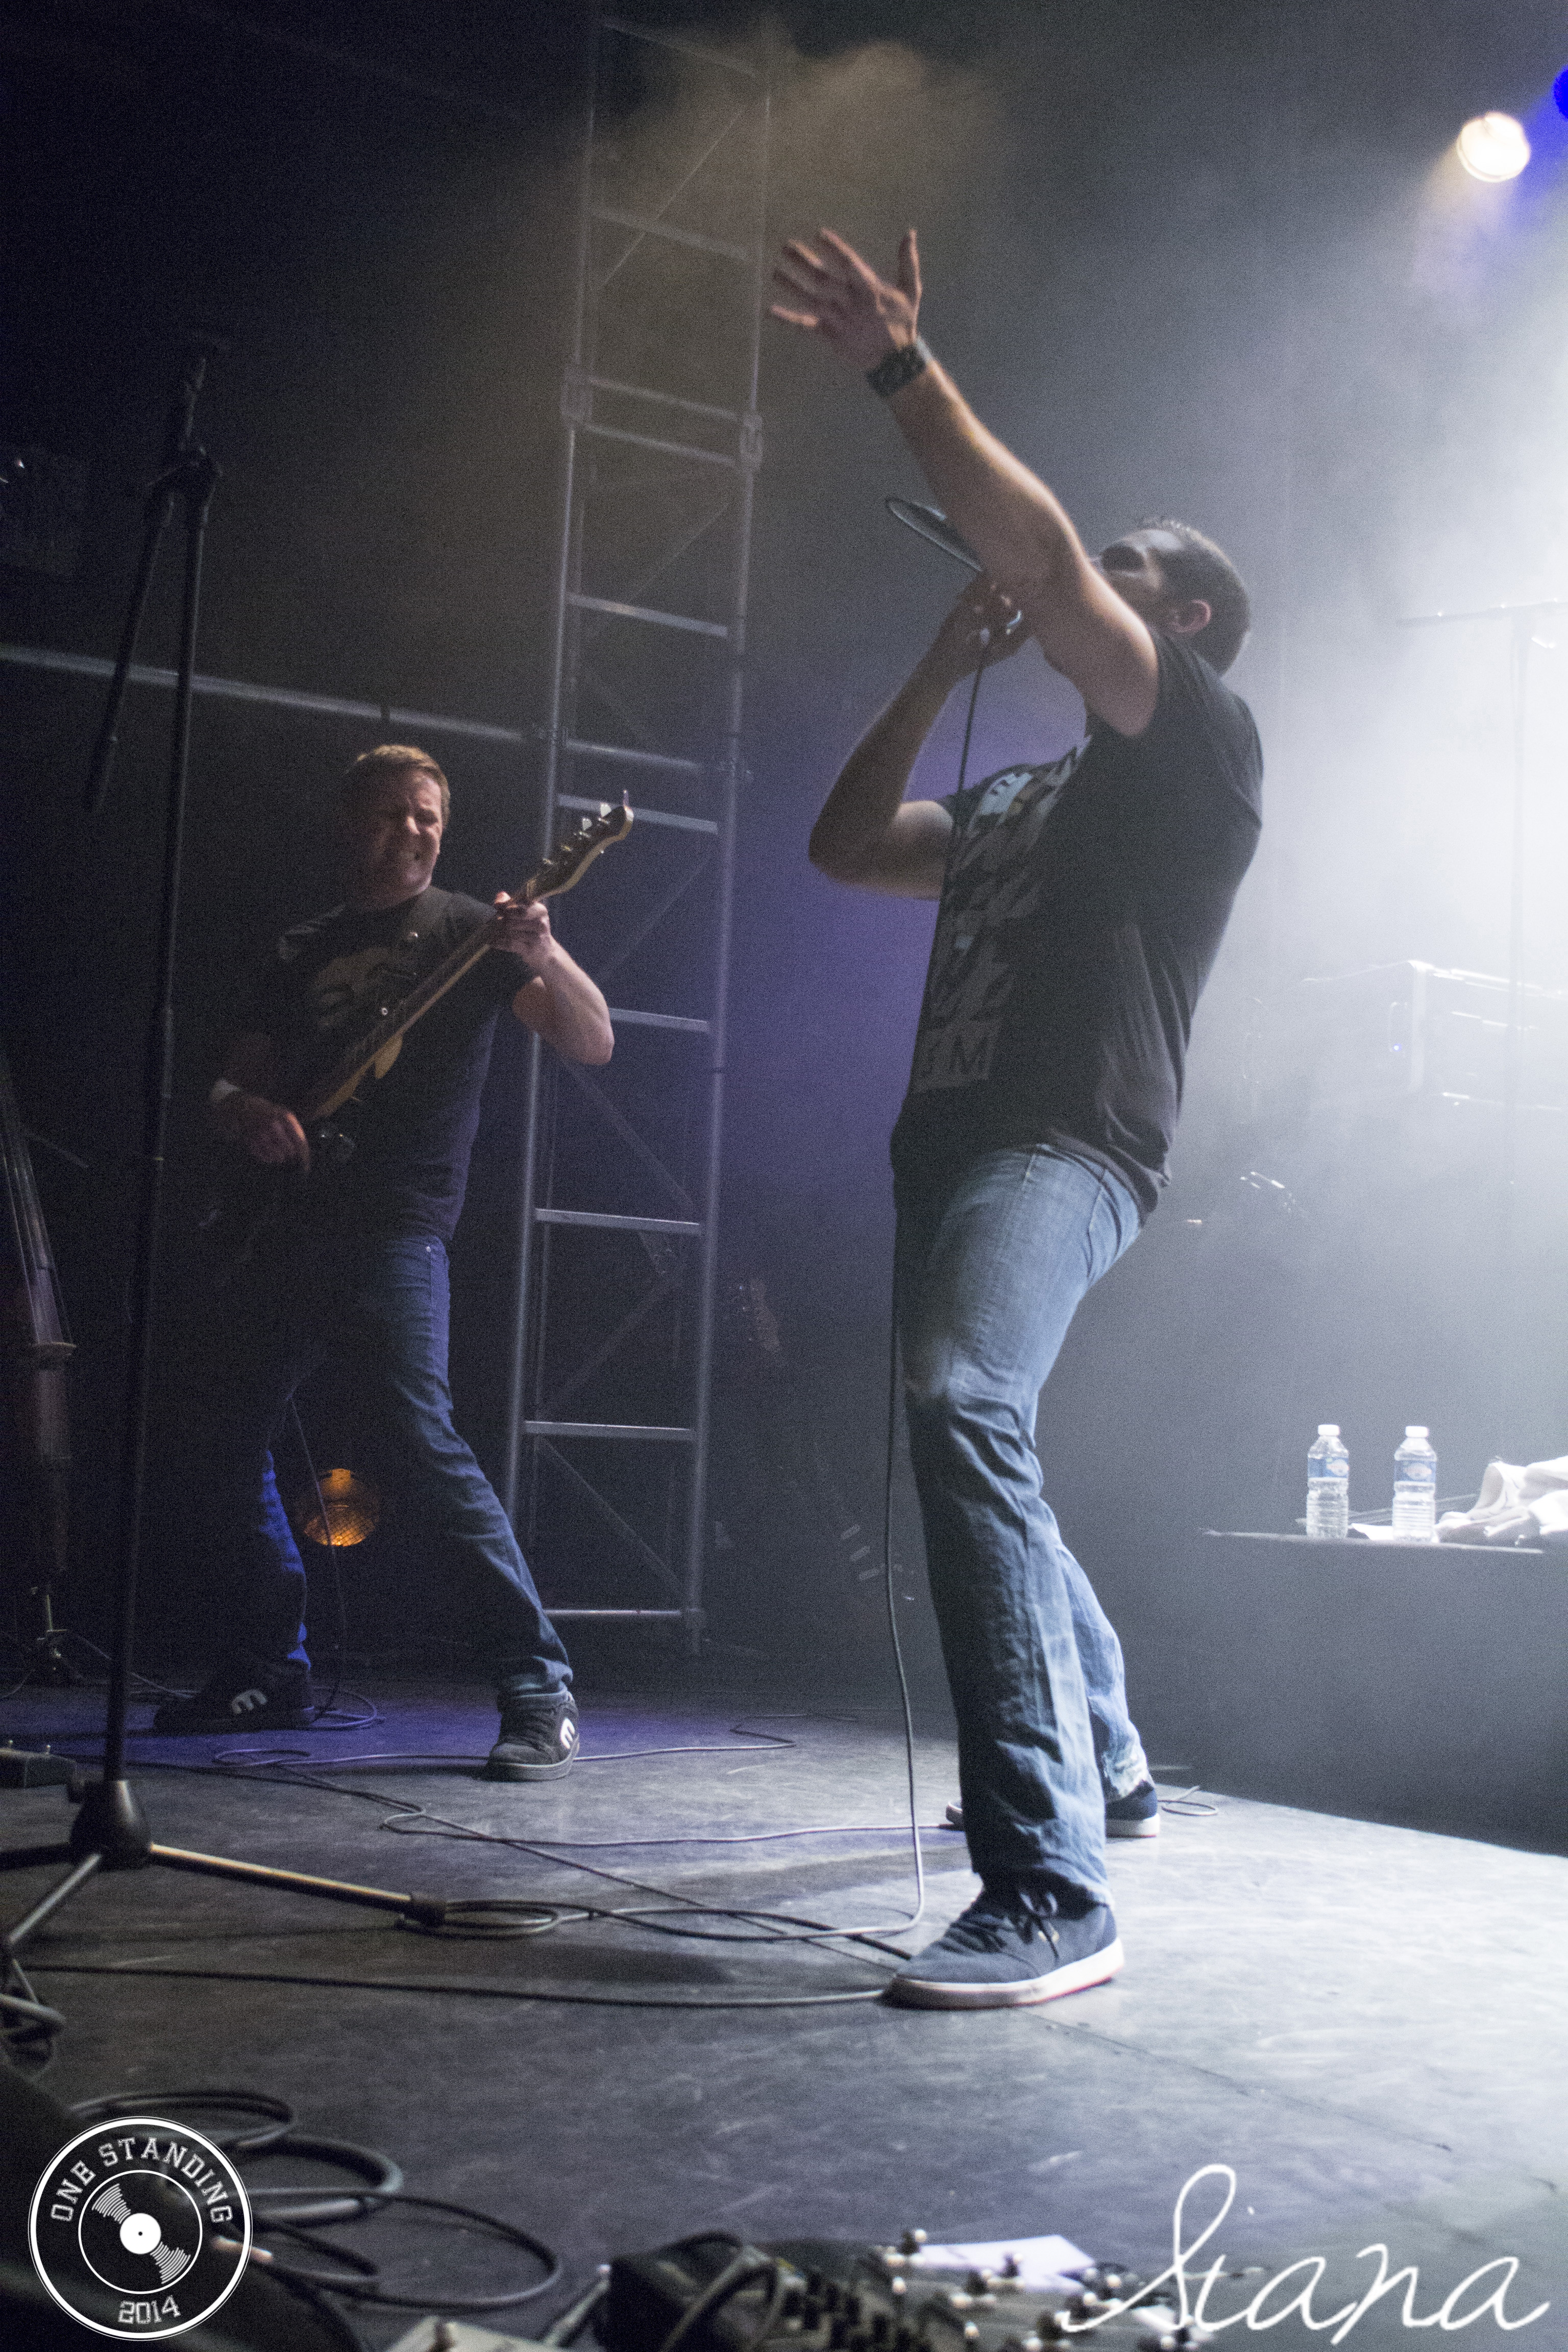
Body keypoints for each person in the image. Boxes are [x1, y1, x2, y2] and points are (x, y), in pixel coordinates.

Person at [774, 228, 1263, 2006]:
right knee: (985, 1438)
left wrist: (908, 371)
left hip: (1071, 1143)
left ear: (1181, 616)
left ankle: (1049, 1884)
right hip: (955, 1143)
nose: (1084, 585)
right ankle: (1116, 1748)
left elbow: (1047, 551)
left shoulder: (1194, 741)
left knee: (963, 1398)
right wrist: (926, 668)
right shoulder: (1024, 791)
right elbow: (843, 843)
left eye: (1132, 575)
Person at [154, 744, 614, 1781]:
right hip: (286, 1228)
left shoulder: (471, 932)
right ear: (350, 820)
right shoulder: (302, 948)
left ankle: (538, 1684)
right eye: (397, 814)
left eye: (432, 818)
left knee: (418, 1438)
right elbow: (230, 1088)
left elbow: (593, 1040)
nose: (417, 832)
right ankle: (271, 1665)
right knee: (223, 1434)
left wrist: (543, 951)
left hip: (396, 1227)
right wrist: (250, 1116)